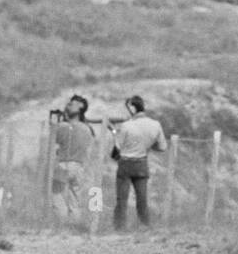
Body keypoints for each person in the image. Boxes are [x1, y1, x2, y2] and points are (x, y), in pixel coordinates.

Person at [107, 95, 167, 229]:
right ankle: (145, 225)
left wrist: (114, 155)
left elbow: (117, 147)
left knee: (122, 200)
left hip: (126, 164)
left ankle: (119, 227)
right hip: (142, 164)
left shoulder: (126, 125)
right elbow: (162, 147)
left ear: (133, 108)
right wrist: (147, 145)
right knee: (142, 199)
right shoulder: (155, 124)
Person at [52, 94, 94, 224]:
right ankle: (74, 226)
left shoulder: (63, 126)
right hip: (78, 166)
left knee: (56, 194)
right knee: (75, 200)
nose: (68, 105)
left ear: (80, 107)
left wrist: (59, 121)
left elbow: (54, 140)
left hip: (63, 164)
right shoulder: (87, 129)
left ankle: (62, 222)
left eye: (72, 103)